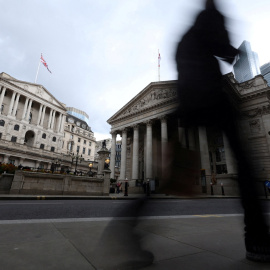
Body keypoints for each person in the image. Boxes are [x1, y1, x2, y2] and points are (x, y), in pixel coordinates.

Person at [174, 0, 270, 262]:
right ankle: (258, 238)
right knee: (243, 158)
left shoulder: (186, 36)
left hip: (191, 100)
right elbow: (223, 51)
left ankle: (132, 224)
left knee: (175, 169)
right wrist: (230, 51)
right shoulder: (210, 16)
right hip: (212, 97)